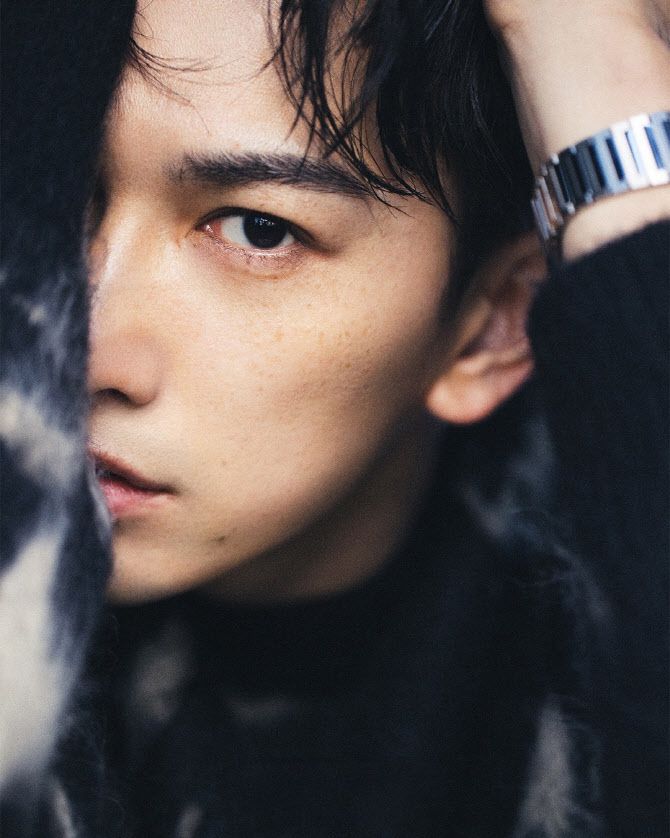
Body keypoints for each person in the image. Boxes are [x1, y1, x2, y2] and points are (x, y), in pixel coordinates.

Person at [20, 0, 670, 835]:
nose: (82, 350)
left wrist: (588, 43)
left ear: (493, 328)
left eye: (260, 231)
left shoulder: (569, 676)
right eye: (54, 193)